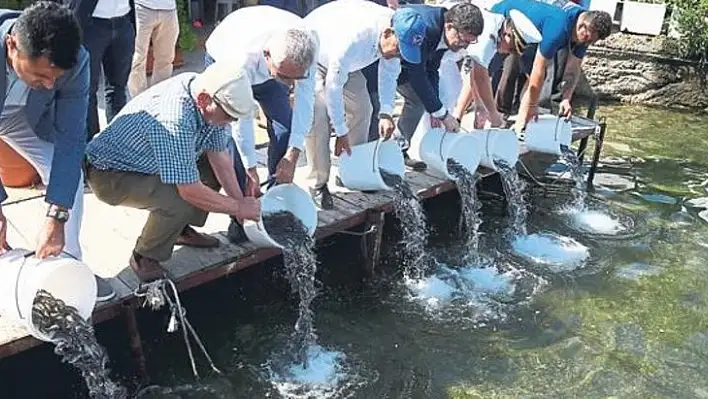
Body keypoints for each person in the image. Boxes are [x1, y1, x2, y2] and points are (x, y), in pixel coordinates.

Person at [85, 61, 261, 283]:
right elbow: (189, 190)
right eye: (229, 115)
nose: (231, 121)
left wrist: (240, 206)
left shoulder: (201, 90)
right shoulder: (174, 118)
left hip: (147, 162)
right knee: (180, 199)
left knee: (209, 171)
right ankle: (144, 256)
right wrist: (237, 207)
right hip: (109, 173)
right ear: (205, 100)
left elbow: (220, 158)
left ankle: (178, 230)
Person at [0, 2, 116, 301]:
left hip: (24, 117)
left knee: (65, 171)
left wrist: (57, 216)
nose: (50, 84)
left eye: (55, 76)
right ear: (11, 45)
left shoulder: (77, 61)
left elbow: (71, 139)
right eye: (40, 74)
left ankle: (67, 264)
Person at [204, 5, 318, 242]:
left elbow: (306, 101)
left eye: (296, 78)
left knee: (285, 130)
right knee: (230, 148)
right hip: (226, 63)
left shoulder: (309, 44)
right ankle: (240, 214)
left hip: (269, 74)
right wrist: (251, 168)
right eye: (286, 77)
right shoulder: (239, 59)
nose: (290, 85)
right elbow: (240, 122)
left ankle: (274, 201)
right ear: (267, 55)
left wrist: (293, 153)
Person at [303, 0, 425, 209]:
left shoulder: (396, 36)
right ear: (387, 33)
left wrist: (386, 113)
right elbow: (333, 88)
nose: (399, 55)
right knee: (319, 116)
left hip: (349, 65)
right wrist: (340, 131)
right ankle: (318, 182)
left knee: (364, 108)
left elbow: (389, 74)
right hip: (314, 55)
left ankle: (350, 169)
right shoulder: (354, 39)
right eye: (398, 49)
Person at [489, 0, 611, 129]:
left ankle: (521, 123)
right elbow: (538, 68)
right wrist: (533, 105)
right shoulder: (559, 27)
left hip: (534, 36)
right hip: (506, 18)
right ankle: (487, 113)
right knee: (490, 67)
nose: (587, 44)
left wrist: (566, 99)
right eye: (587, 39)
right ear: (582, 26)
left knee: (534, 78)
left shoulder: (584, 35)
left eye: (591, 42)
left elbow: (573, 69)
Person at [393, 2, 483, 171]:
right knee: (372, 106)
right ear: (450, 27)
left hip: (405, 63)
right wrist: (442, 113)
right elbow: (418, 75)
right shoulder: (426, 28)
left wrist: (434, 107)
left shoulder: (445, 32)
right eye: (463, 40)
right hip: (383, 59)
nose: (464, 47)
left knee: (418, 101)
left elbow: (432, 68)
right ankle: (370, 158)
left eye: (469, 43)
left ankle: (398, 149)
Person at [451, 9, 542, 128]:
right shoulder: (489, 37)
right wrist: (493, 114)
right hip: (444, 50)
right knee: (448, 95)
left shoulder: (498, 30)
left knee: (451, 96)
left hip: (453, 54)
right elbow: (481, 77)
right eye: (511, 49)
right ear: (508, 35)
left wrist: (479, 104)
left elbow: (473, 70)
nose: (508, 53)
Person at [64, 0, 135, 140]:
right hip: (91, 23)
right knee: (88, 90)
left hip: (123, 20)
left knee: (118, 88)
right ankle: (92, 146)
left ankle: (118, 142)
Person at [127, 0, 180, 97]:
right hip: (141, 8)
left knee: (166, 59)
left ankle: (159, 98)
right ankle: (139, 101)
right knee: (136, 60)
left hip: (169, 9)